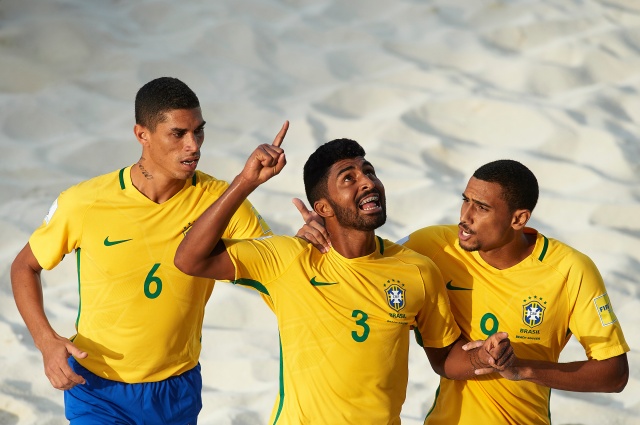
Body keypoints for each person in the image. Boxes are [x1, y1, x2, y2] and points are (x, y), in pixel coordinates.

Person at [174, 137, 515, 424]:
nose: (367, 182)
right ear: (322, 207)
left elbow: (444, 358)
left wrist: (482, 359)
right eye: (348, 178)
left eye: (369, 172)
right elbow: (190, 258)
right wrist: (246, 182)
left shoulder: (417, 270)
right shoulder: (290, 258)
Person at [10, 77, 276, 424]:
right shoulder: (86, 202)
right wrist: (46, 341)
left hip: (176, 389)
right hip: (97, 390)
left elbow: (277, 267)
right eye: (178, 133)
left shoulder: (220, 200)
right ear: (142, 135)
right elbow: (23, 267)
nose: (193, 146)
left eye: (199, 131)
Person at [297, 158, 630, 424]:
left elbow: (614, 374)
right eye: (465, 200)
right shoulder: (432, 246)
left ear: (518, 219)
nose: (465, 217)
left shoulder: (570, 269)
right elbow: (363, 265)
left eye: (481, 208)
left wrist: (521, 369)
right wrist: (325, 228)